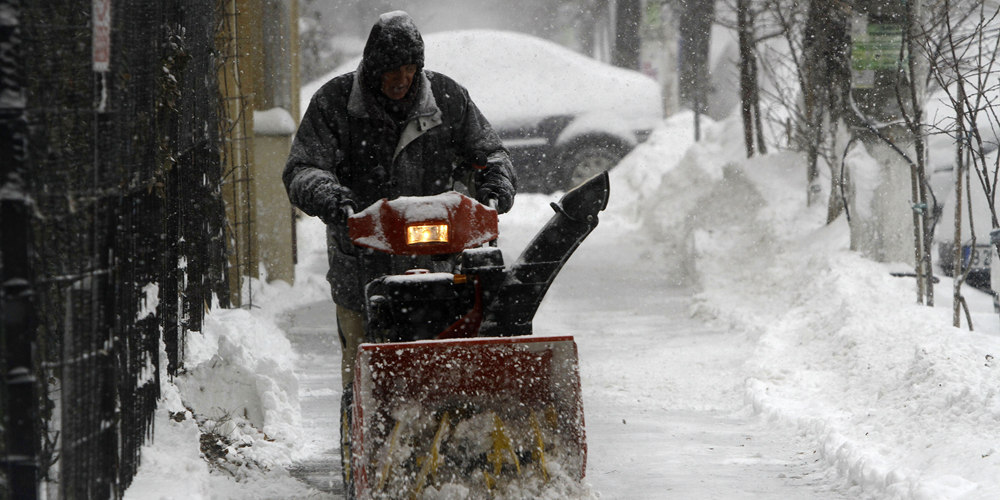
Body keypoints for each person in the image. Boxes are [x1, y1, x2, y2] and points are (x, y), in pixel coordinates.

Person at [282, 11, 516, 392]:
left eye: (410, 68)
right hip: (361, 264)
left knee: (449, 362)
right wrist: (330, 197)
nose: (402, 78)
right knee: (364, 371)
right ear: (373, 67)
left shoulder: (448, 99)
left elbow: (492, 154)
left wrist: (495, 184)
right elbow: (304, 167)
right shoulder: (334, 104)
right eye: (392, 69)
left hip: (444, 264)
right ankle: (361, 435)